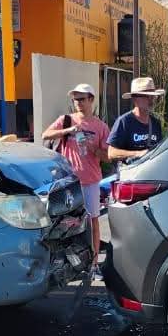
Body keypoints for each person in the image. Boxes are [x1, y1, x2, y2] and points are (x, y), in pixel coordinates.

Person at [42, 82, 111, 262]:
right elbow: (45, 135)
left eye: (81, 99)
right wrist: (68, 130)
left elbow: (108, 157)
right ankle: (65, 261)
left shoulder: (101, 127)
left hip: (90, 180)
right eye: (75, 100)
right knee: (63, 222)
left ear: (91, 100)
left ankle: (94, 262)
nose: (78, 103)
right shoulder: (66, 119)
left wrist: (92, 148)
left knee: (92, 220)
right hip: (67, 181)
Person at [107, 76, 165, 163]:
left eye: (153, 96)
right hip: (132, 170)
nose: (151, 100)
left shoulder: (155, 123)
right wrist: (138, 154)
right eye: (147, 96)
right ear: (135, 98)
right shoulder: (124, 122)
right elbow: (111, 153)